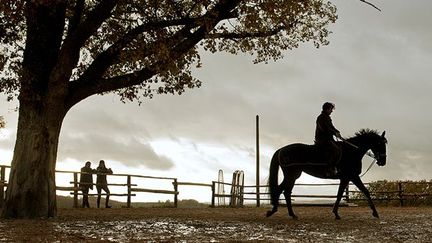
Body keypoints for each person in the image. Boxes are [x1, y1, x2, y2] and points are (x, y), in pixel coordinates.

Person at [315, 102, 342, 176]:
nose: (332, 111)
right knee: (336, 150)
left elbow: (331, 127)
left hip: (328, 139)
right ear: (327, 109)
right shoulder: (321, 117)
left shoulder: (327, 117)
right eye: (331, 109)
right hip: (323, 140)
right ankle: (329, 169)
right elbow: (324, 128)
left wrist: (337, 132)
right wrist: (334, 133)